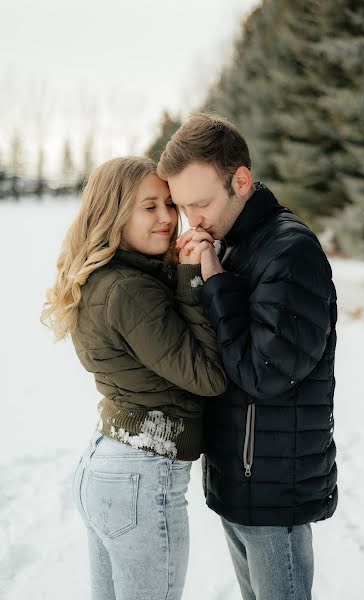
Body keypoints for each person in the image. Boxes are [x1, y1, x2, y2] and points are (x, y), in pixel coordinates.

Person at [157, 113, 338, 600]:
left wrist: (215, 282)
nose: (193, 219)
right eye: (183, 207)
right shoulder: (233, 245)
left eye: (201, 203)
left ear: (240, 180)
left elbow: (266, 373)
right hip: (241, 482)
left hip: (274, 490)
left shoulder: (289, 251)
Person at [41, 156, 227, 600]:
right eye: (149, 207)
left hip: (110, 464)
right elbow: (209, 376)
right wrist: (191, 280)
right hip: (142, 474)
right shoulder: (128, 289)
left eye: (168, 204)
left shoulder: (109, 278)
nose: (166, 218)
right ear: (115, 211)